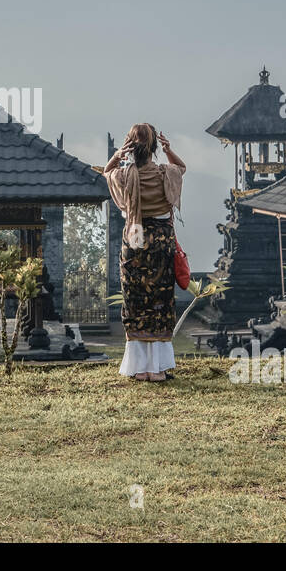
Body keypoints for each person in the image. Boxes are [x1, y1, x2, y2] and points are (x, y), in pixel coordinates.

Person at [103, 123, 186, 382]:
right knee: (160, 303)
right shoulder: (165, 174)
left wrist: (117, 155)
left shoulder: (124, 176)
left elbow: (107, 172)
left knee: (136, 303)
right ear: (153, 149)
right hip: (161, 244)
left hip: (135, 243)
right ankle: (158, 369)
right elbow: (181, 169)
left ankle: (139, 369)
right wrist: (169, 150)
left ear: (130, 148)